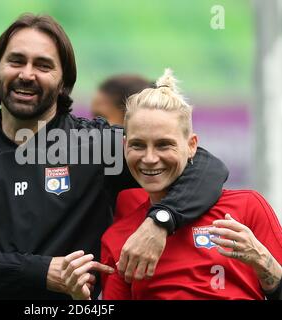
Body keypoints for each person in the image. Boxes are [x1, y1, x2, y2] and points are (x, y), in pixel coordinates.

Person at [0, 13, 229, 300]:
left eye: (43, 66)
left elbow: (205, 166)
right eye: (16, 61)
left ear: (63, 82)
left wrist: (160, 221)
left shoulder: (95, 144)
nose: (27, 74)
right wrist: (42, 272)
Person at [61, 69, 282, 300]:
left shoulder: (247, 208)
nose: (149, 158)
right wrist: (82, 302)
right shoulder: (119, 238)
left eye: (164, 145)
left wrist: (262, 262)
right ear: (124, 146)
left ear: (192, 145)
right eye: (138, 145)